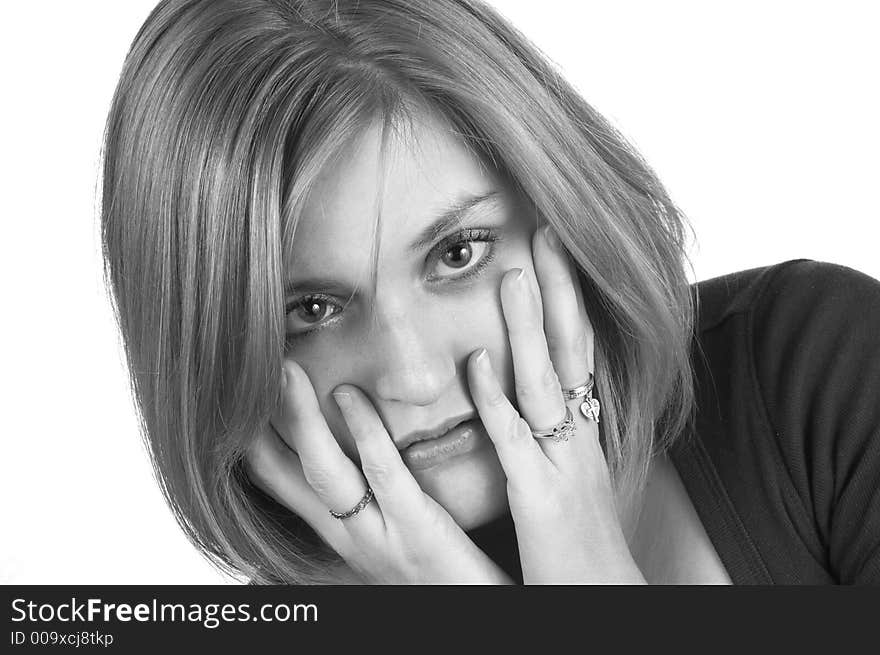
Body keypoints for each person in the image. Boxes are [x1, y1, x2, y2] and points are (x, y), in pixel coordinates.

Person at [100, 0, 880, 584]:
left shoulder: (816, 375)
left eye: (458, 252)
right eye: (309, 311)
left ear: (559, 205)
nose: (415, 378)